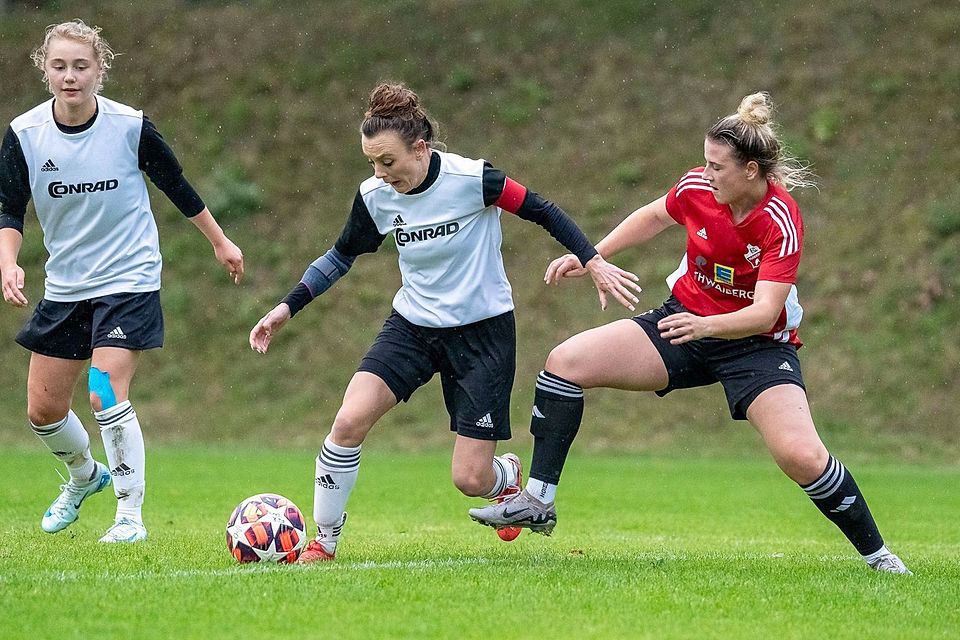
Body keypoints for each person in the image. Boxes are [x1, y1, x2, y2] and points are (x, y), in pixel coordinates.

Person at [469, 92, 911, 574]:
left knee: (801, 456)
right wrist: (592, 255)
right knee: (565, 363)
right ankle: (538, 499)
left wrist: (706, 326)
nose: (706, 173)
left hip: (755, 347)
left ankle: (879, 556)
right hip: (684, 322)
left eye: (717, 166)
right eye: (705, 163)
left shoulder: (779, 219)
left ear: (750, 171)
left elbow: (765, 313)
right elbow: (656, 214)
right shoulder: (699, 188)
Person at [249, 82, 641, 563]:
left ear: (421, 148)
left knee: (469, 481)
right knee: (349, 420)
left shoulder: (473, 180)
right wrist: (286, 307)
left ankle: (504, 475)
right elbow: (341, 255)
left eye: (387, 161)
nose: (379, 173)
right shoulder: (375, 196)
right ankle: (324, 542)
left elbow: (542, 210)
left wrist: (593, 260)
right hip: (412, 327)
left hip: (484, 333)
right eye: (371, 162)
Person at [0, 20, 244, 543]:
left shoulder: (129, 126)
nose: (70, 77)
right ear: (45, 70)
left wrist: (220, 241)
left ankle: (129, 516)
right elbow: (9, 208)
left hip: (128, 278)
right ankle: (85, 477)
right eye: (60, 66)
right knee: (43, 411)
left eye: (81, 66)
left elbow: (175, 183)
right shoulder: (24, 134)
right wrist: (9, 262)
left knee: (104, 391)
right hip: (66, 286)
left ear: (100, 70)